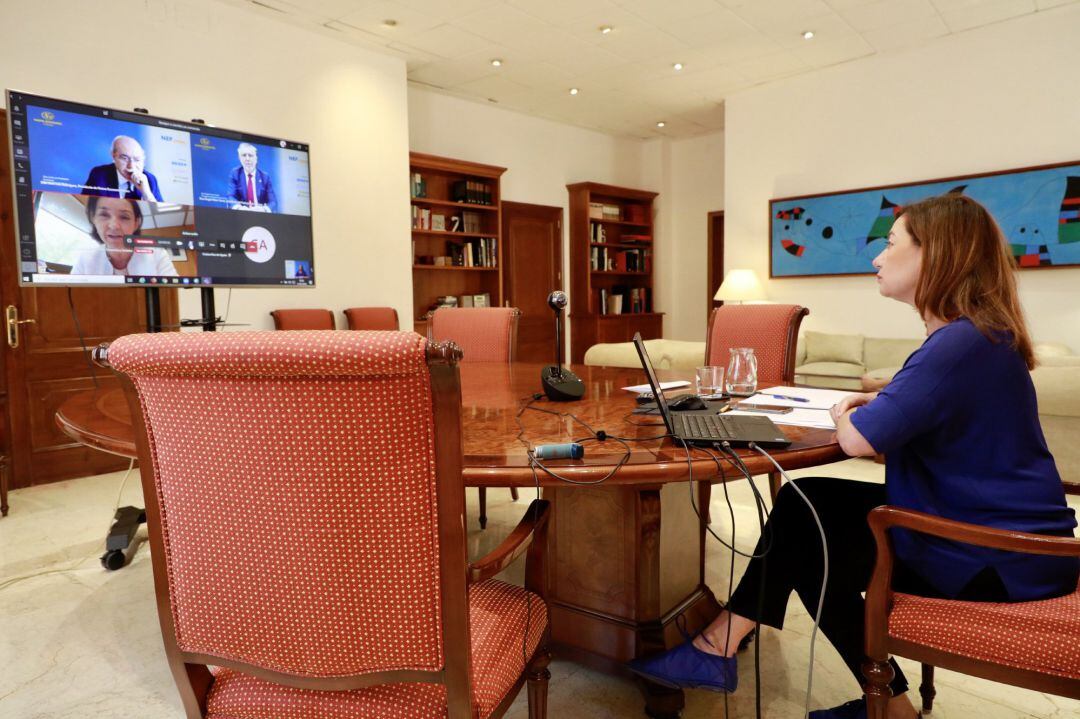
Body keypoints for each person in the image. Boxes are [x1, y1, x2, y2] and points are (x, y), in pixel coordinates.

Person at [628, 195, 1078, 719]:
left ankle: (752, 657)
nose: (876, 258)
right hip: (1001, 537)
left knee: (810, 537)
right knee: (809, 504)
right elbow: (917, 409)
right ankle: (734, 648)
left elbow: (860, 441)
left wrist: (847, 409)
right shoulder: (976, 337)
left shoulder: (959, 344)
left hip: (996, 556)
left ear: (934, 256)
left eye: (890, 245)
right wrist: (881, 403)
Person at [70, 196, 178, 277]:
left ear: (136, 223)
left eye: (124, 217)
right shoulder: (85, 259)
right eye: (104, 215)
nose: (114, 226)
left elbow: (174, 293)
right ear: (93, 219)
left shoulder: (157, 254)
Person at [82, 135, 162, 201]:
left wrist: (146, 193)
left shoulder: (150, 180)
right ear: (114, 156)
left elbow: (160, 216)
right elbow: (88, 205)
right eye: (124, 158)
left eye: (137, 160)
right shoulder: (99, 175)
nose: (131, 166)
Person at [227, 142, 277, 212]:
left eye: (250, 155)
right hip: (241, 216)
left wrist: (263, 209)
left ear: (256, 158)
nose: (247, 159)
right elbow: (230, 196)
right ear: (239, 158)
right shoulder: (235, 174)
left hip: (260, 217)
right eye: (244, 155)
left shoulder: (265, 177)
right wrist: (239, 208)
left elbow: (273, 202)